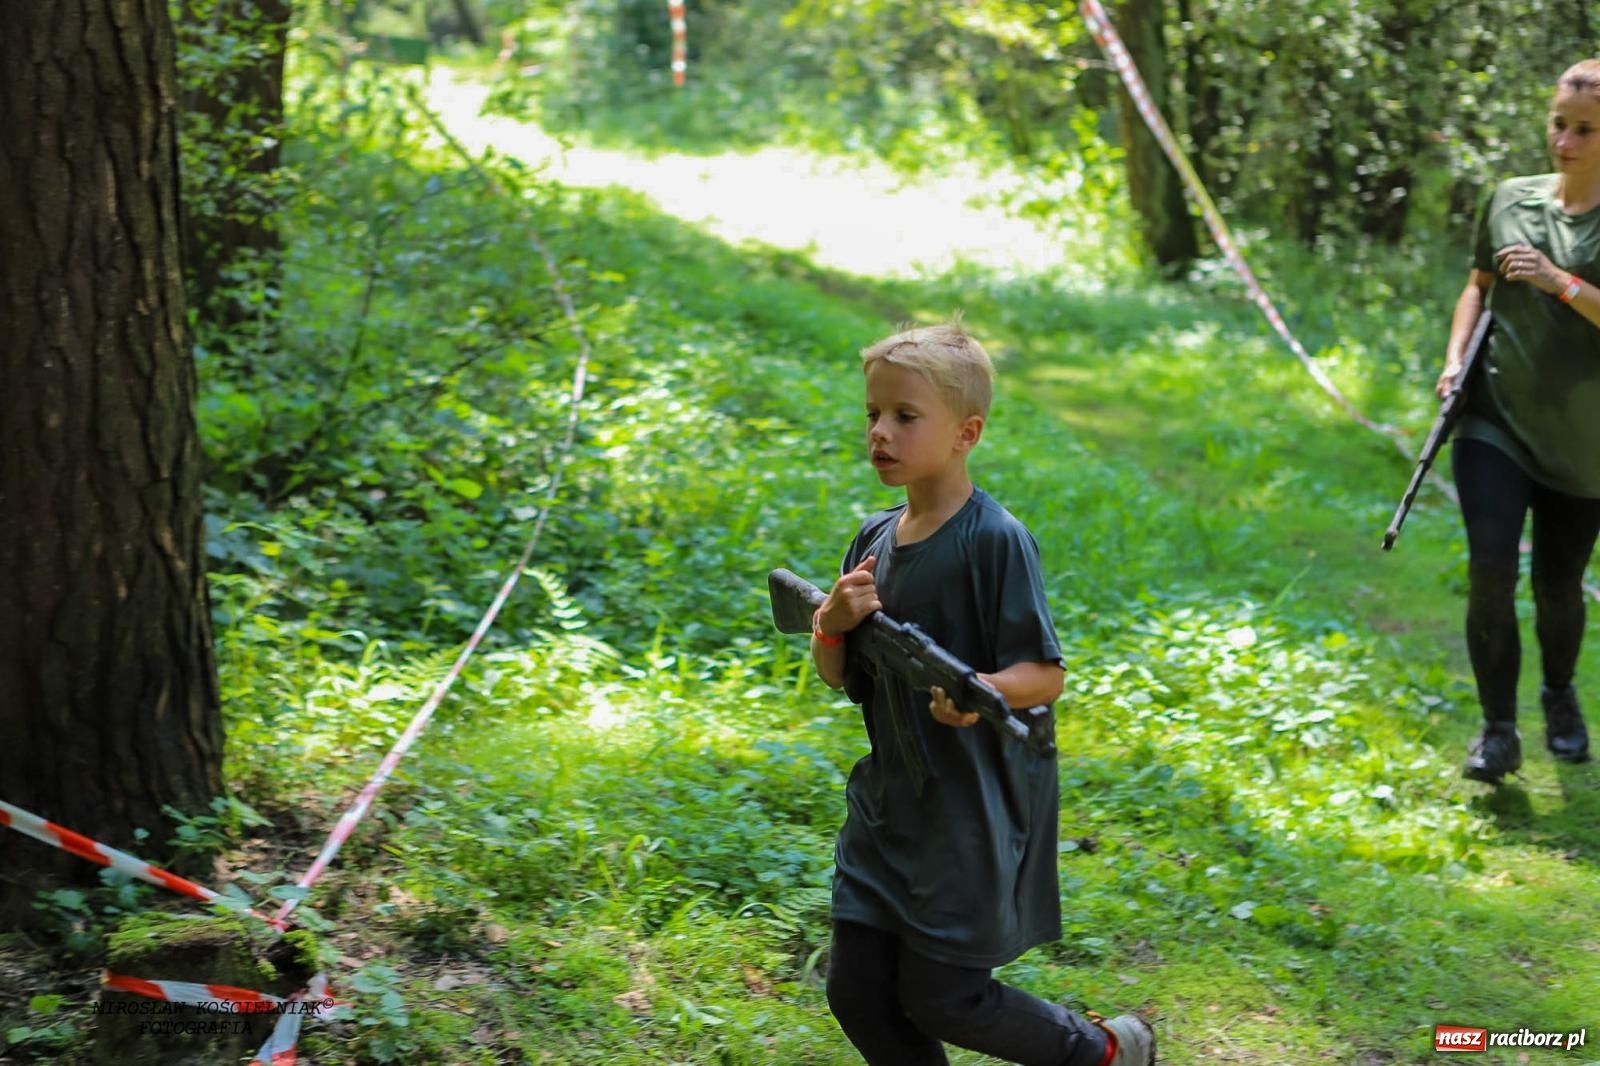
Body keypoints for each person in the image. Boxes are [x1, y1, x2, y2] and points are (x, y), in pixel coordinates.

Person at [810, 321, 1155, 1065]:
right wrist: (830, 624)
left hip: (968, 816)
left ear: (967, 432)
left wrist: (979, 691)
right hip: (887, 810)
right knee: (858, 992)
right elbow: (842, 678)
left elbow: (1046, 676)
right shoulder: (873, 540)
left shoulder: (994, 539)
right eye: (873, 414)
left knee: (944, 997)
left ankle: (1100, 1052)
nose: (881, 432)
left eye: (906, 416)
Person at [1436, 59, 1600, 785]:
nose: (1565, 141)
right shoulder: (1508, 199)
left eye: (1585, 130)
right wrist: (1452, 362)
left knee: (1560, 589)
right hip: (1494, 420)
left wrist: (1557, 280)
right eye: (1558, 124)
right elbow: (1477, 289)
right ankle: (1498, 731)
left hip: (1585, 445)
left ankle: (1559, 696)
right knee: (1491, 567)